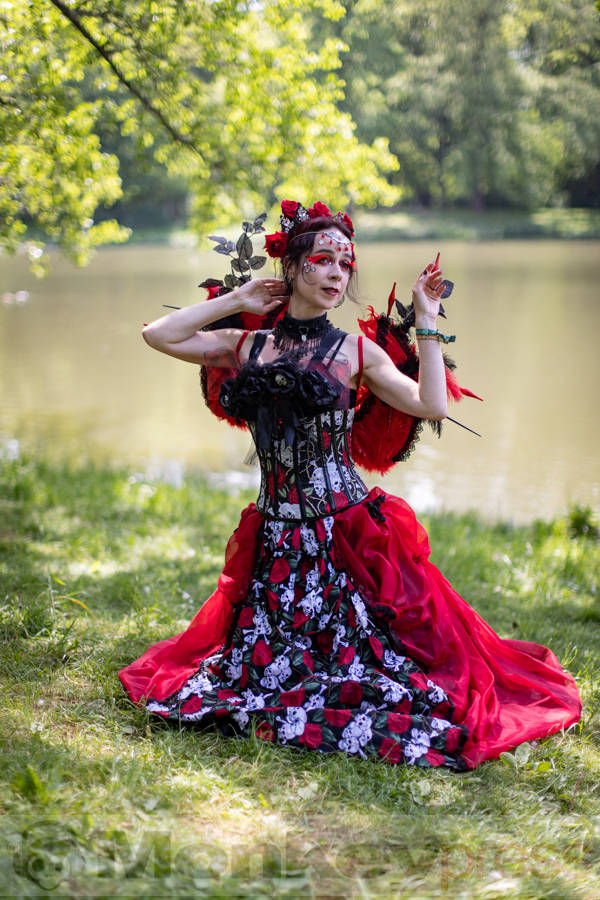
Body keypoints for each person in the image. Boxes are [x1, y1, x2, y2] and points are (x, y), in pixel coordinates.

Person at [119, 200, 581, 769]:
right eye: (323, 260)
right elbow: (157, 334)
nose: (338, 274)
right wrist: (237, 301)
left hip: (342, 535)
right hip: (276, 540)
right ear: (291, 268)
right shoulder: (246, 345)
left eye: (345, 264)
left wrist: (427, 319)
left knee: (370, 672)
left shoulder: (354, 352)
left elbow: (431, 404)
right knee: (261, 672)